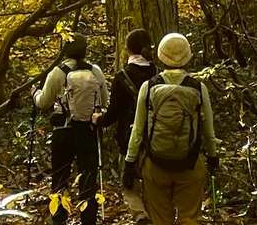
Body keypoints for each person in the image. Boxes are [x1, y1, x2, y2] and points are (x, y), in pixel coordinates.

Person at [123, 33, 219, 225]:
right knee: (189, 219)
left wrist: (129, 162)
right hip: (190, 164)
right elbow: (209, 132)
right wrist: (212, 157)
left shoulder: (149, 87)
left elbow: (138, 131)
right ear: (188, 57)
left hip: (155, 165)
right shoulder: (198, 88)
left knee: (160, 220)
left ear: (160, 55)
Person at [31, 34, 109, 225]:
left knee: (60, 177)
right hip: (88, 131)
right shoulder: (95, 71)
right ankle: (88, 219)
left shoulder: (58, 72)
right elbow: (104, 101)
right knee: (88, 176)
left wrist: (35, 93)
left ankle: (59, 218)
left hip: (63, 131)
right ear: (85, 50)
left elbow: (43, 102)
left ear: (65, 49)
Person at [92, 29, 157, 223]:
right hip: (155, 136)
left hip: (128, 138)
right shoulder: (157, 73)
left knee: (129, 183)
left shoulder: (122, 77)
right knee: (152, 182)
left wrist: (99, 119)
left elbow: (113, 113)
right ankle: (153, 215)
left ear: (127, 49)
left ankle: (139, 214)